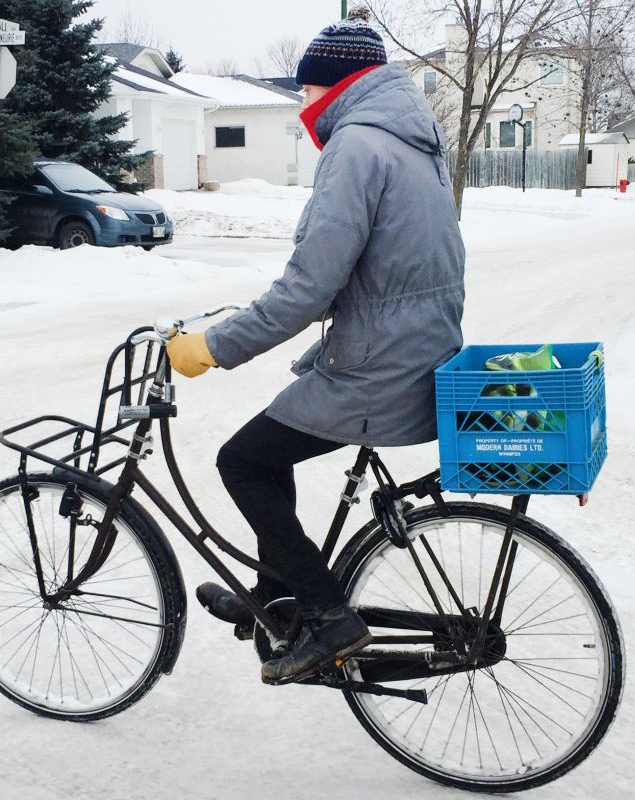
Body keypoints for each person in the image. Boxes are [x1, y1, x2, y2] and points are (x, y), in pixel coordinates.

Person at [166, 8, 465, 686]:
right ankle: (277, 599)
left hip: (379, 370)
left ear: (334, 86)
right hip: (418, 354)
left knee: (242, 460)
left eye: (305, 90)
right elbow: (354, 277)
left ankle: (328, 617)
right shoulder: (412, 142)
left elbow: (309, 289)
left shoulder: (358, 146)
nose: (301, 102)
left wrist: (212, 347)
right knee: (280, 436)